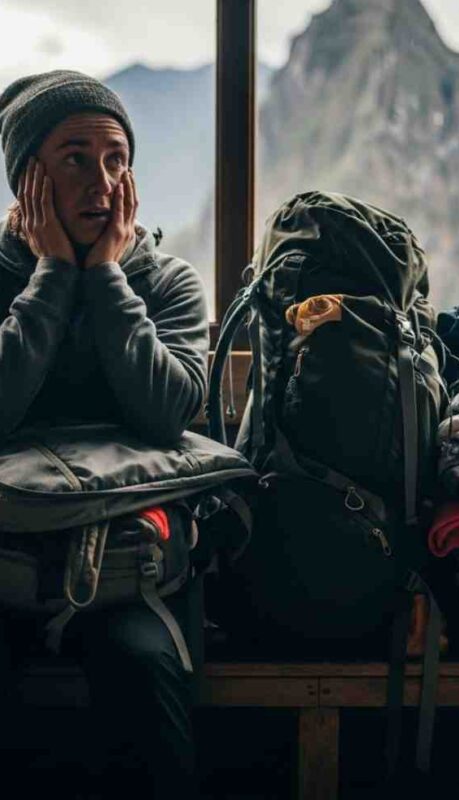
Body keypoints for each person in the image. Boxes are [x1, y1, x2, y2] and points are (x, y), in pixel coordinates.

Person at [0, 70, 209, 799]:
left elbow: (167, 410)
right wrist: (52, 275)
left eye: (117, 158)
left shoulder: (169, 281)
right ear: (26, 177)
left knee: (149, 673)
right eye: (74, 158)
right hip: (7, 547)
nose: (102, 180)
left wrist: (109, 281)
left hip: (124, 565)